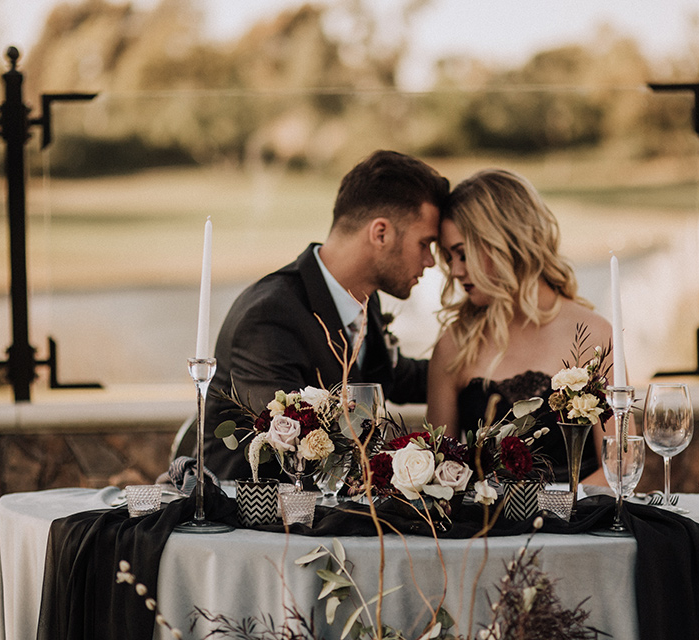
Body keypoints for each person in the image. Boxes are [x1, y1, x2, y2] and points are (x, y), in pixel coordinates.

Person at [204, 150, 450, 480]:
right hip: (254, 513)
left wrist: (477, 367)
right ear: (380, 233)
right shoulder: (269, 317)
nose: (431, 261)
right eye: (425, 243)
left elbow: (392, 376)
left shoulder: (365, 299)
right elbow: (287, 450)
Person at [426, 168, 612, 485]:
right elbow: (438, 474)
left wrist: (546, 514)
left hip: (577, 526)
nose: (455, 271)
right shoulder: (454, 344)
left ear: (505, 244)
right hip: (485, 529)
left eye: (462, 254)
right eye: (448, 257)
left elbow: (619, 466)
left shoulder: (593, 333)